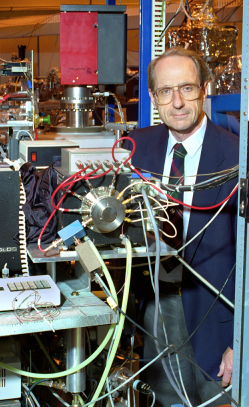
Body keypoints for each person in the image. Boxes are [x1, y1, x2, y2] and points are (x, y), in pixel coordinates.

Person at [125, 48, 238, 407]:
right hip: (157, 306)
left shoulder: (237, 156)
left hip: (218, 320)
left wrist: (242, 342)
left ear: (205, 88)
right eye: (165, 91)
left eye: (187, 88)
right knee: (165, 399)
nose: (176, 102)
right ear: (153, 96)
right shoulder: (137, 146)